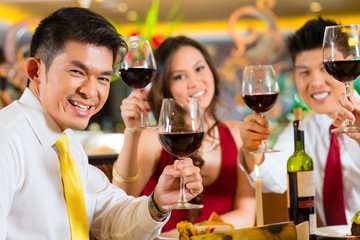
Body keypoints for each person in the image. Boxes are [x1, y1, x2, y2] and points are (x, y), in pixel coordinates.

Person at [0, 7, 203, 239]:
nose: (91, 91)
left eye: (103, 78)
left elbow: (110, 217)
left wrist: (158, 202)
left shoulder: (67, 145)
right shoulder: (6, 139)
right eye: (77, 71)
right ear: (36, 71)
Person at [113, 36, 256, 235]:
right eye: (179, 76)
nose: (194, 82)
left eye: (199, 69)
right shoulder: (153, 139)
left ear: (212, 71)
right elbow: (118, 204)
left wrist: (186, 235)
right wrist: (131, 132)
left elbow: (246, 216)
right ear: (165, 86)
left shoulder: (235, 133)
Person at [239, 17, 360, 226]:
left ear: (347, 62)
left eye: (324, 68)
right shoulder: (304, 127)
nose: (315, 82)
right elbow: (272, 181)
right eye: (304, 72)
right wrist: (252, 147)